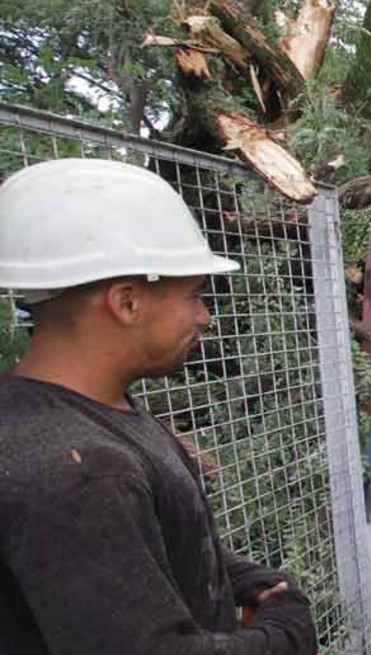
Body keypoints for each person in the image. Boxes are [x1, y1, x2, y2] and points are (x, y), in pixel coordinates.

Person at [0, 159, 317, 654]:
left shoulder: (87, 413)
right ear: (127, 302)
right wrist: (287, 632)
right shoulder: (75, 474)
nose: (204, 316)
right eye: (194, 295)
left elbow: (153, 548)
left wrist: (244, 579)